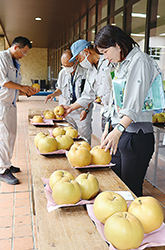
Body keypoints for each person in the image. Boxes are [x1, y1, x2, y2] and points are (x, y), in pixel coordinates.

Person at [94, 24, 164, 196]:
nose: (105, 57)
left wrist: (116, 131)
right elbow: (114, 102)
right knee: (119, 187)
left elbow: (133, 103)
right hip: (121, 134)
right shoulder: (121, 65)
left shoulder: (140, 60)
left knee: (131, 191)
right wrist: (107, 129)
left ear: (117, 44)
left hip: (136, 137)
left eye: (105, 52)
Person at [0, 36, 39, 185]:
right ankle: (2, 170)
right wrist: (21, 88)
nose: (24, 56)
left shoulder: (15, 62)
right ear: (16, 47)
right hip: (2, 104)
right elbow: (4, 82)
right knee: (3, 136)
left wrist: (27, 91)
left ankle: (7, 164)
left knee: (11, 136)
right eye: (23, 52)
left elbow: (16, 87)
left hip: (11, 104)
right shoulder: (2, 58)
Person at [61, 39, 113, 132]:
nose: (80, 62)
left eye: (79, 59)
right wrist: (70, 107)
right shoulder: (91, 71)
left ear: (86, 52)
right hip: (106, 113)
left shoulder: (109, 62)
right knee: (106, 143)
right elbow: (87, 95)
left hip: (118, 114)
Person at [45, 49, 93, 144]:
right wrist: (53, 94)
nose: (65, 68)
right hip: (67, 110)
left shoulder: (86, 72)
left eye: (67, 66)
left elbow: (89, 95)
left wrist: (86, 110)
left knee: (83, 139)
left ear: (75, 62)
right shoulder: (63, 73)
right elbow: (60, 89)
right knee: (68, 138)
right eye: (63, 65)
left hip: (82, 112)